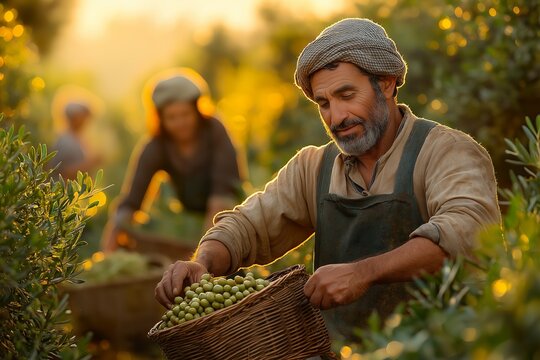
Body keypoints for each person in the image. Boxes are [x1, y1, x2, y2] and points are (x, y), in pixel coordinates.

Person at [155, 19, 501, 340]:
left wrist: (363, 273)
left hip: (440, 345)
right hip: (340, 352)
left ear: (386, 82)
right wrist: (202, 262)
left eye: (347, 96)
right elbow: (247, 225)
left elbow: (467, 232)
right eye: (323, 103)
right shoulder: (315, 167)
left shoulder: (446, 151)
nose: (336, 117)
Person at [102, 69, 242, 252]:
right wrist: (108, 252)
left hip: (229, 215)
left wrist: (206, 253)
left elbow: (222, 196)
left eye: (185, 114)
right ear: (160, 118)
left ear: (197, 111)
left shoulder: (214, 131)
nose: (180, 123)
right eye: (172, 117)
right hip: (188, 220)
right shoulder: (157, 145)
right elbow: (131, 201)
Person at [49, 101, 102, 179]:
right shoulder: (66, 141)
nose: (86, 121)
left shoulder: (79, 139)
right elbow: (61, 172)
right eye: (84, 116)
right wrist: (91, 163)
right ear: (75, 117)